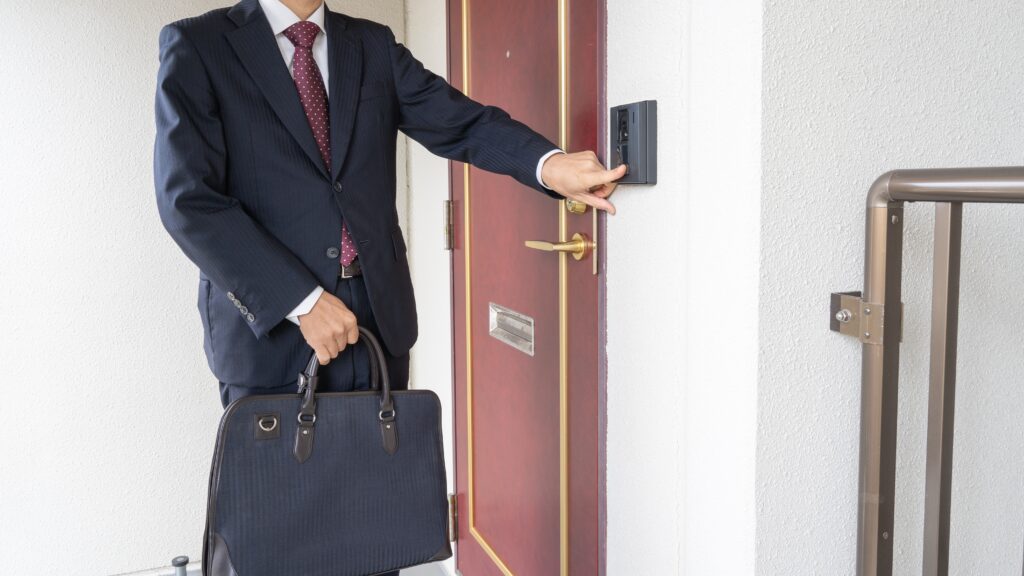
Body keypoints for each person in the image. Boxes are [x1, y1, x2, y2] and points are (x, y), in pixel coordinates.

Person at [154, 0, 624, 573]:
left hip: (375, 319)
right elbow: (189, 202)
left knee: (374, 528)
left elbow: (460, 120)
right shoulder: (199, 45)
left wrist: (547, 165)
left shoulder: (370, 45)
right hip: (273, 333)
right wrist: (301, 302)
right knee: (277, 536)